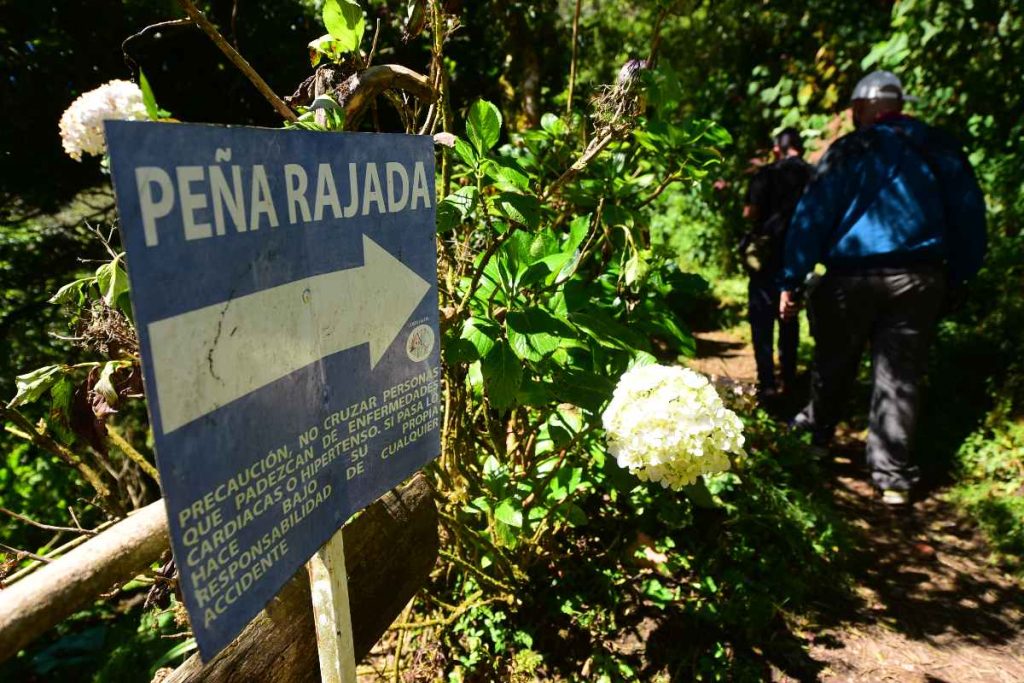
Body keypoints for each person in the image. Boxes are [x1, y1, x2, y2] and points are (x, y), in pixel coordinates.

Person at [779, 71, 987, 506]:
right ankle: (891, 478)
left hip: (850, 277)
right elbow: (968, 212)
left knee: (833, 361)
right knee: (900, 374)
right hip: (919, 279)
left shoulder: (850, 148)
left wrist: (791, 279)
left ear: (862, 108)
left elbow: (812, 215)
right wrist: (962, 275)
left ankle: (816, 441)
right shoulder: (937, 145)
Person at [741, 127, 812, 399]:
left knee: (762, 320)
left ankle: (767, 383)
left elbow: (750, 213)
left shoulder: (766, 174)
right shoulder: (812, 174)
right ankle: (790, 380)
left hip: (766, 256)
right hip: (799, 255)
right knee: (790, 316)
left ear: (776, 149)